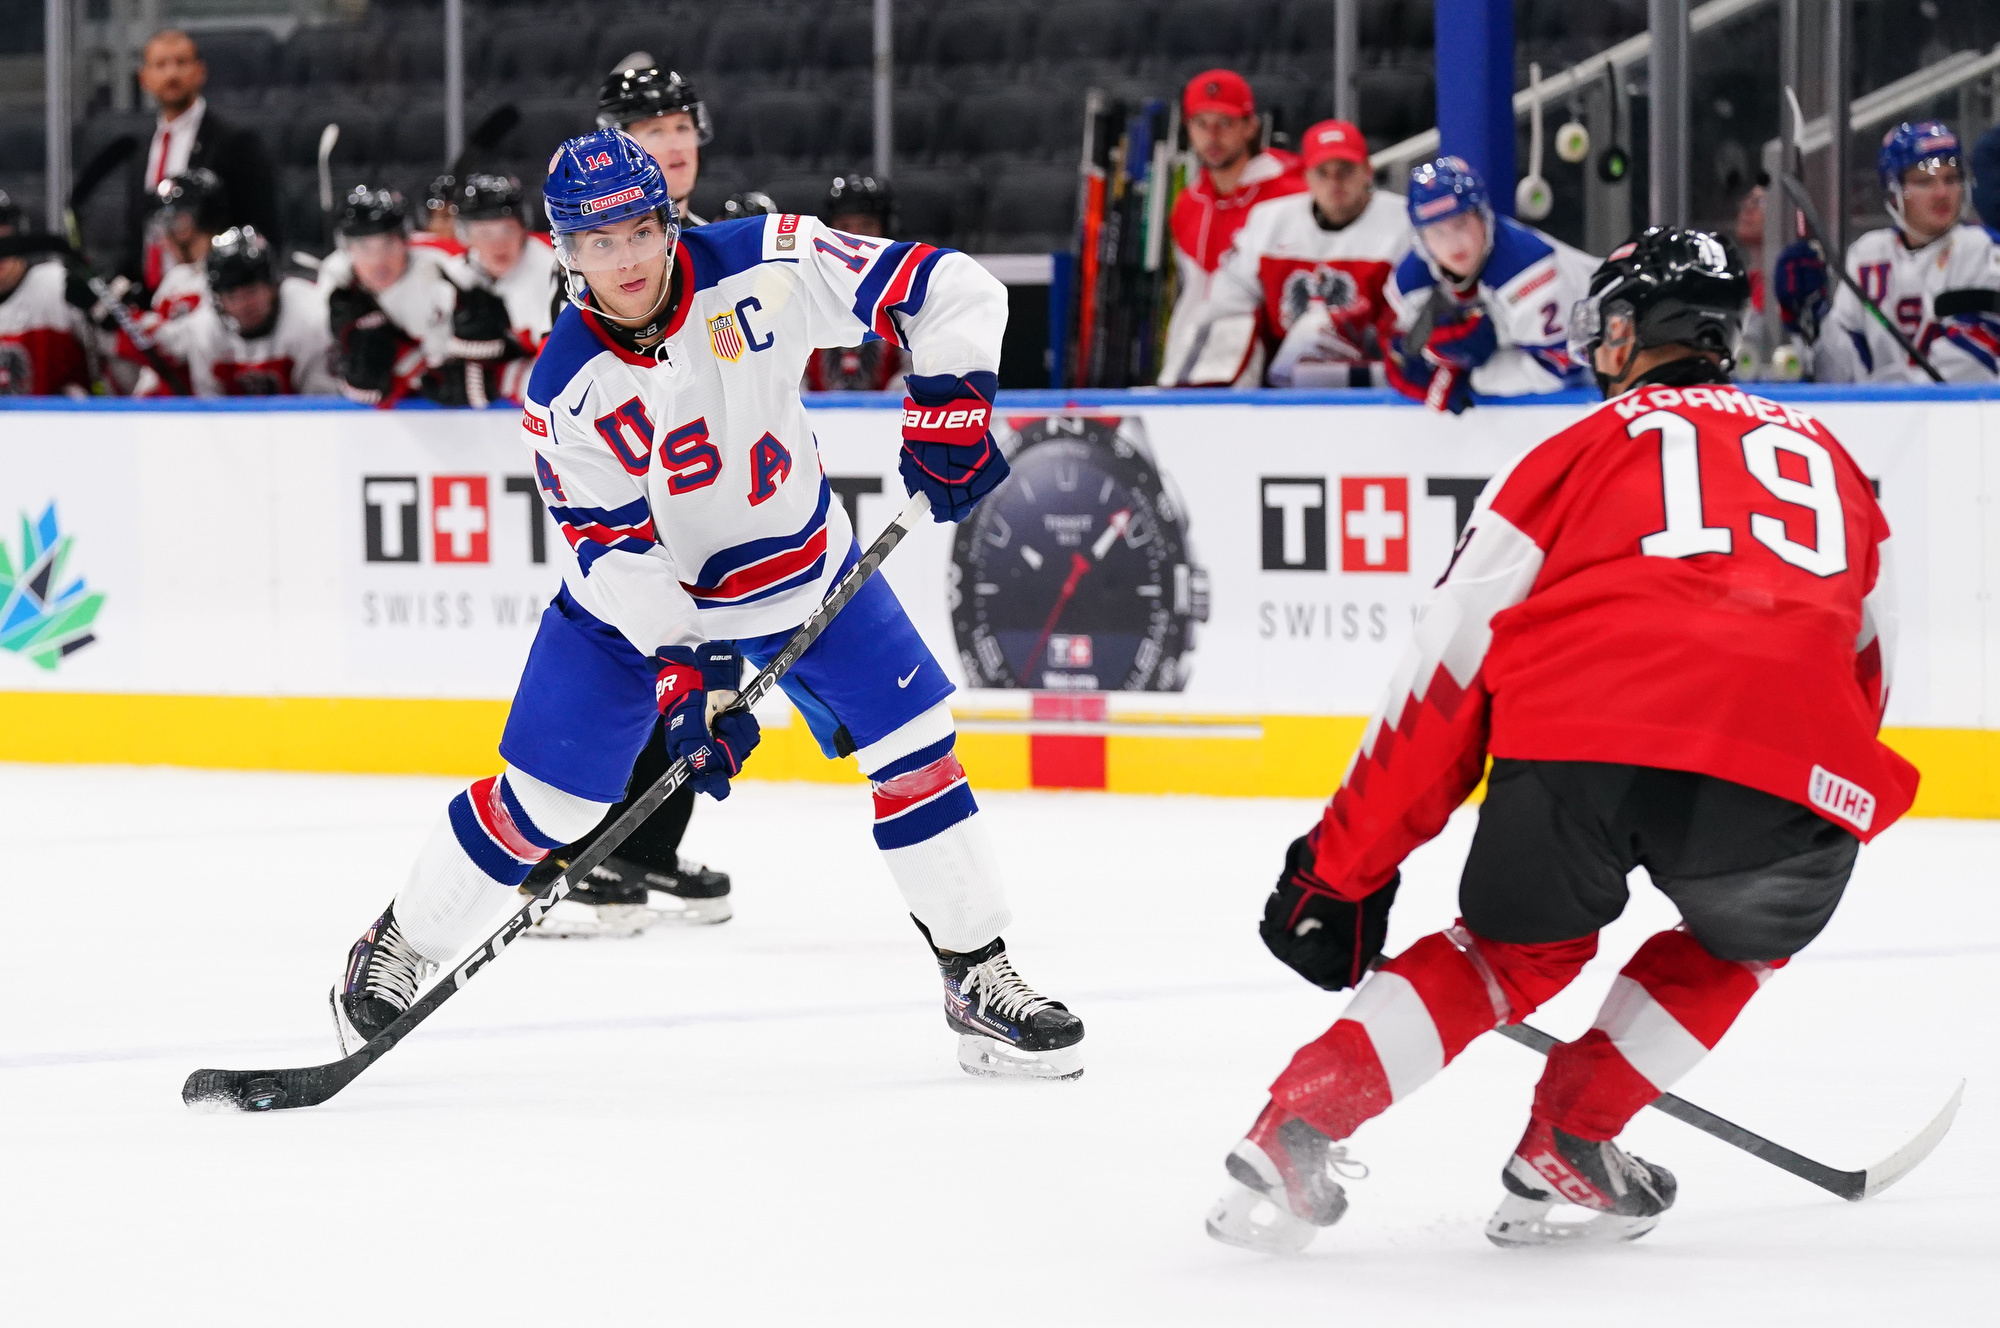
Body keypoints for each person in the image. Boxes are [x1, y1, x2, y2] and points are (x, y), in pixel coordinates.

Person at [1204, 227, 1915, 1254]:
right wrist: (1806, 779)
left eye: (1610, 325)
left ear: (1638, 330)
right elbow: (1867, 661)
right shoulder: (1834, 465)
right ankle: (1574, 1134)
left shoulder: (1568, 453)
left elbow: (1447, 668)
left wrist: (1342, 867)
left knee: (1509, 950)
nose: (1598, 347)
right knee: (1744, 937)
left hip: (1584, 735)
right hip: (1780, 760)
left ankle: (1294, 1130)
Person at [330, 128, 1086, 1081]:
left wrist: (951, 401)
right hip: (630, 612)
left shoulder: (769, 260)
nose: (626, 261)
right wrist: (686, 674)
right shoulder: (563, 390)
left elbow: (954, 287)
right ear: (565, 251)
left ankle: (976, 975)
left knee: (917, 747)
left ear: (668, 220)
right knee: (550, 803)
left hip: (804, 570)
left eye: (640, 232)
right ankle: (400, 945)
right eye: (598, 243)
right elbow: (618, 552)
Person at [1174, 120, 1411, 388]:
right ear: (1306, 176)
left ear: (1367, 171)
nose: (1334, 182)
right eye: (1322, 172)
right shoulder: (1267, 223)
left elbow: (1414, 316)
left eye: (1345, 170)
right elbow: (1226, 309)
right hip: (1280, 390)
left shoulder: (1404, 223)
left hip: (1376, 385)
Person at [1775, 121, 2000, 384]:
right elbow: (1840, 374)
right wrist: (1813, 318)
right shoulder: (1867, 255)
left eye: (1951, 179)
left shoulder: (1984, 251)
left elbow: (1972, 364)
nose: (1942, 193)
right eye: (1925, 182)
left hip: (1968, 410)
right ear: (1894, 192)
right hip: (1884, 407)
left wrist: (1880, 397)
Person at [1385, 157, 1596, 412]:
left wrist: (1474, 379)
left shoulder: (1527, 271)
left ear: (1483, 216)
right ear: (1421, 239)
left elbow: (1563, 366)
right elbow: (1406, 349)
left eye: (1461, 223)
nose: (1453, 244)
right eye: (1437, 232)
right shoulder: (1409, 284)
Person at [1157, 69, 1305, 386]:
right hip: (1209, 371)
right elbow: (1195, 295)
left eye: (1224, 122)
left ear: (1250, 126)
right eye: (1201, 123)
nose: (1212, 135)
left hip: (1283, 372)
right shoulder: (1188, 204)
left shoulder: (1294, 192)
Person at [129, 29, 282, 284]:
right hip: (152, 295)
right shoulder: (140, 148)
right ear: (144, 78)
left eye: (181, 62)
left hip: (216, 290)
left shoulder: (234, 142)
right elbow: (136, 236)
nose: (171, 74)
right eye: (161, 65)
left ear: (201, 71)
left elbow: (261, 228)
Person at [144, 226, 337, 396]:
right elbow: (211, 407)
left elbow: (320, 405)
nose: (243, 305)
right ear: (218, 300)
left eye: (252, 292)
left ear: (273, 287)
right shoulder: (204, 330)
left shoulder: (311, 318)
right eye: (231, 296)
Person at [804, 173, 909, 392]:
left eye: (866, 226)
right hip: (811, 410)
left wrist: (892, 400)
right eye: (844, 227)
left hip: (888, 411)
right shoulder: (805, 288)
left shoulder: (906, 290)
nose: (854, 239)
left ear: (885, 230)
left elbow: (917, 368)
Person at [0, 192, 98, 396]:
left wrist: (100, 312)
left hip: (64, 417)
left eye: (4, 239)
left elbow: (117, 368)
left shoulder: (58, 286)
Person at [597, 59, 710, 225]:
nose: (677, 146)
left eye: (682, 127)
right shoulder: (597, 240)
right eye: (655, 132)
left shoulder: (713, 237)